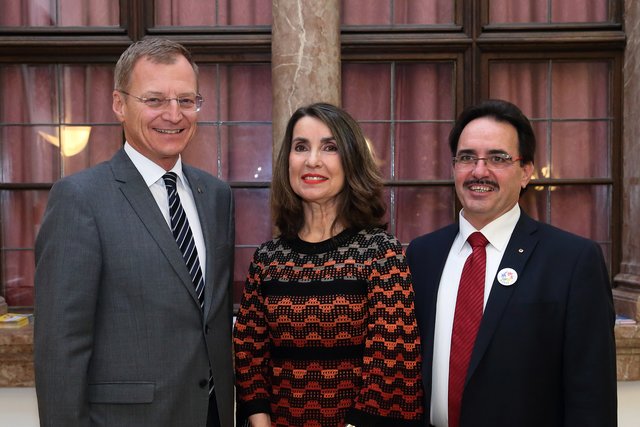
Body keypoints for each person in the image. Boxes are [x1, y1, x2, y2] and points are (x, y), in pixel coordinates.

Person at [33, 38, 235, 427]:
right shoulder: (80, 199)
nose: (174, 115)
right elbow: (60, 349)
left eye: (187, 100)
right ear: (119, 104)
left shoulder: (216, 196)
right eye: (155, 100)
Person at [407, 99, 617, 427]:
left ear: (526, 172)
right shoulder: (421, 256)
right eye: (467, 158)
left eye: (498, 158)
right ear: (453, 168)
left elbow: (591, 396)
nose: (479, 171)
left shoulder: (573, 261)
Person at [233, 102, 424, 427]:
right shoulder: (268, 258)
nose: (312, 160)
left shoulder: (381, 252)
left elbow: (392, 357)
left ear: (351, 161)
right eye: (301, 147)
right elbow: (249, 351)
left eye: (330, 147)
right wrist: (260, 420)